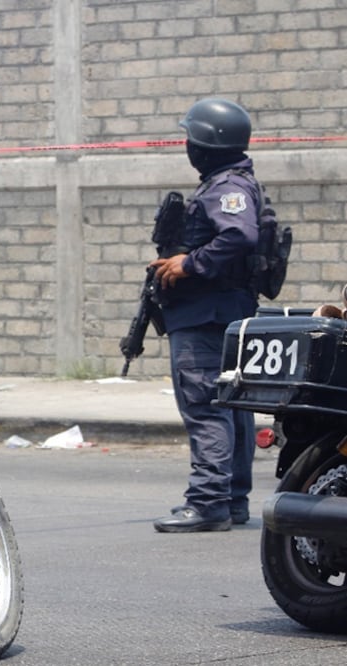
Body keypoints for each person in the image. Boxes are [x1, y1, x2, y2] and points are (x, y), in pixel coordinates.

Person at [150, 98, 260, 533]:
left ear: (206, 144)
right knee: (233, 406)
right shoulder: (231, 182)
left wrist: (188, 264)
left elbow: (240, 234)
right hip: (226, 312)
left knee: (206, 405)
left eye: (191, 138)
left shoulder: (226, 187)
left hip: (206, 315)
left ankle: (209, 502)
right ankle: (231, 500)